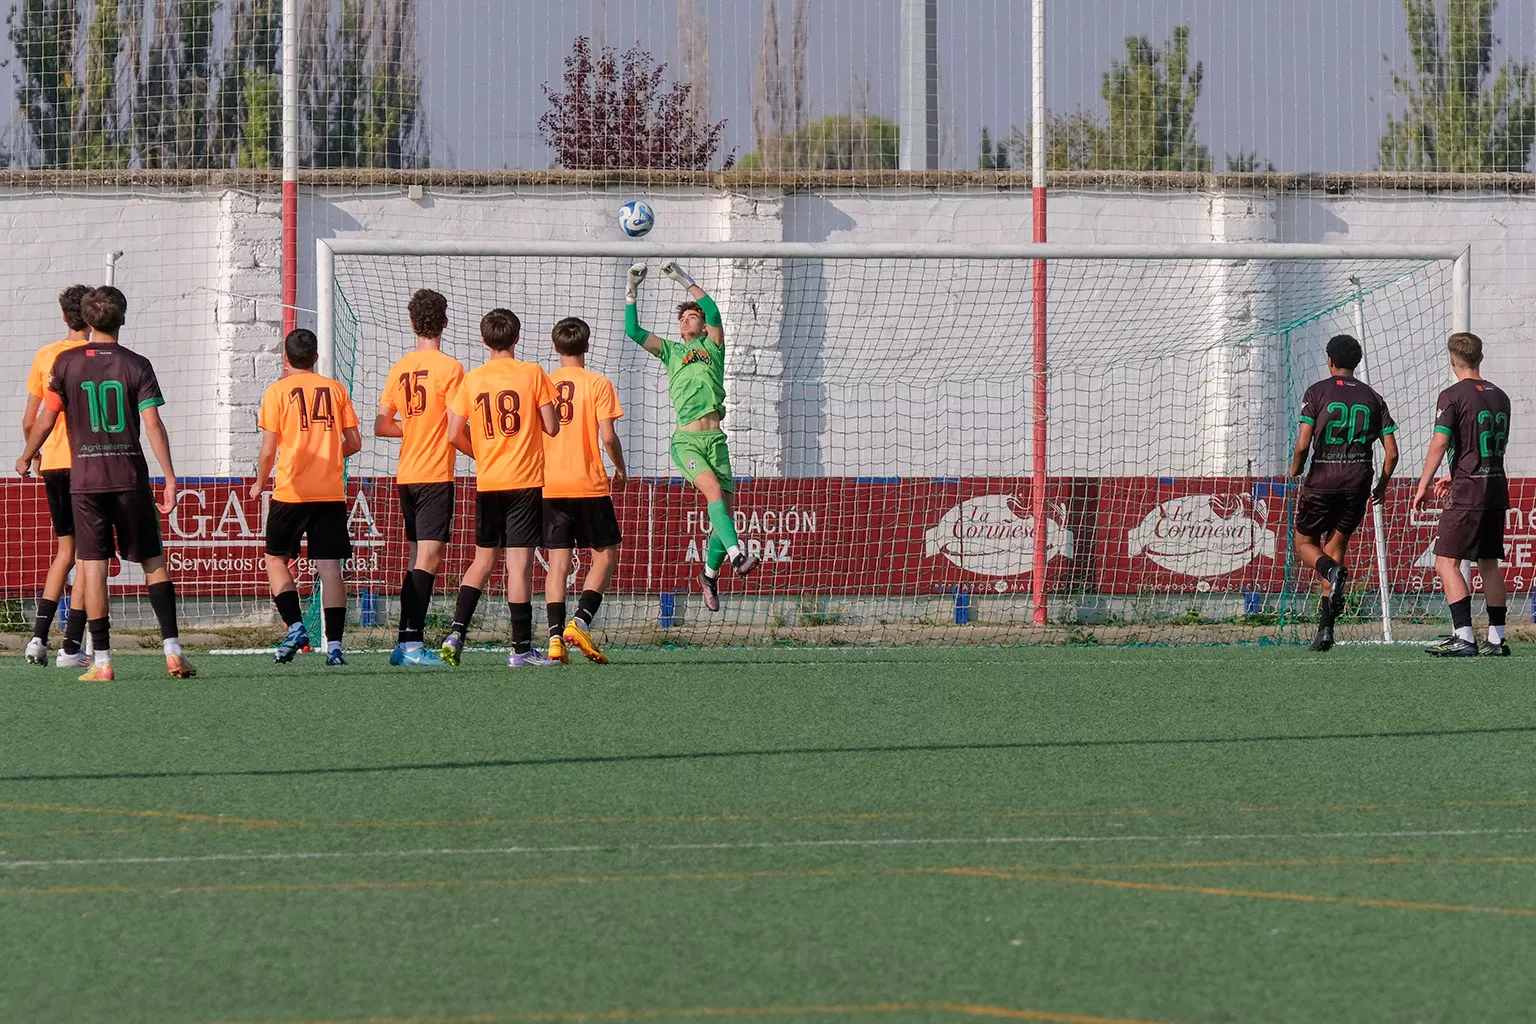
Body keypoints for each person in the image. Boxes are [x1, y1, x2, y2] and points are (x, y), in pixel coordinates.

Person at [15, 286, 195, 681]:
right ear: (123, 318)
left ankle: (102, 661)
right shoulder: (137, 364)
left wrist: (28, 455)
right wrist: (168, 476)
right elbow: (153, 424)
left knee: (92, 565)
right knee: (152, 561)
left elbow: (45, 419)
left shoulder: (65, 363)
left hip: (86, 480)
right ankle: (172, 649)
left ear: (87, 320)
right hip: (129, 477)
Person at [625, 260, 758, 613]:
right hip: (686, 442)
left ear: (702, 325)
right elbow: (634, 332)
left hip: (716, 441)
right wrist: (631, 290)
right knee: (713, 492)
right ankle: (736, 555)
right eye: (682, 318)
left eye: (692, 317)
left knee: (724, 513)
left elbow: (712, 308)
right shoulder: (671, 351)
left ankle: (709, 575)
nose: (686, 320)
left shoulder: (713, 347)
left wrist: (684, 281)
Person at [440, 308, 560, 668]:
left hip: (489, 481)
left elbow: (451, 434)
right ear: (517, 338)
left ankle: (456, 632)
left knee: (482, 559)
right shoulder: (532, 373)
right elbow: (552, 427)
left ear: (483, 340)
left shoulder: (473, 379)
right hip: (524, 482)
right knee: (518, 568)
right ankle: (521, 648)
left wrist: (483, 453)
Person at [252, 328, 363, 665]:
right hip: (329, 493)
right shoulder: (335, 390)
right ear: (316, 358)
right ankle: (335, 648)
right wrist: (330, 456)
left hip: (291, 491)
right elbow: (355, 442)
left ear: (286, 359)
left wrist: (260, 482)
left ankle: (296, 626)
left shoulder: (277, 392)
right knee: (330, 568)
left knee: (275, 559)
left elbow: (269, 450)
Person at [1288, 334, 1399, 652]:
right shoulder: (1373, 397)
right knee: (1335, 546)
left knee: (1305, 543)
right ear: (1356, 362)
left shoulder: (1317, 392)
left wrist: (1295, 468)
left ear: (1330, 361)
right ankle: (1325, 632)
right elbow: (1391, 453)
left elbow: (1303, 444)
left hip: (1323, 478)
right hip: (1358, 482)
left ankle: (1332, 573)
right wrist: (1381, 485)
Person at [375, 289, 466, 667]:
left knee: (416, 557)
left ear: (413, 324)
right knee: (429, 557)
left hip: (407, 474)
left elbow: (381, 424)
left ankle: (403, 641)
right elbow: (455, 428)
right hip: (433, 473)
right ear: (445, 323)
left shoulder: (400, 367)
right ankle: (413, 644)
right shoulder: (451, 368)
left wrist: (412, 428)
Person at [1411, 332, 1512, 658]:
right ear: (1480, 357)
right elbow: (1495, 448)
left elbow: (1440, 442)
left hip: (1469, 492)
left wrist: (1424, 484)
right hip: (1496, 487)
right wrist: (1453, 475)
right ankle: (1496, 641)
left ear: (1453, 360)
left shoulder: (1452, 395)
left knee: (1445, 562)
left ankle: (1465, 636)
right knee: (1488, 564)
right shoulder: (1501, 396)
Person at [542, 316, 627, 664]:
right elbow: (607, 435)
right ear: (587, 346)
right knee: (605, 556)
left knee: (557, 563)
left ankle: (553, 639)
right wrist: (619, 467)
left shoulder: (543, 383)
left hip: (549, 484)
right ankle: (580, 621)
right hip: (588, 484)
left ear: (555, 347)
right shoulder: (598, 383)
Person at [22, 284, 92, 667]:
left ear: (64, 317)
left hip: (51, 462)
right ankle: (71, 646)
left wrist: (34, 453)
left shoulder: (46, 356)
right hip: (89, 462)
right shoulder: (97, 358)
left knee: (64, 552)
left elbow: (30, 420)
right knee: (87, 556)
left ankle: (36, 638)